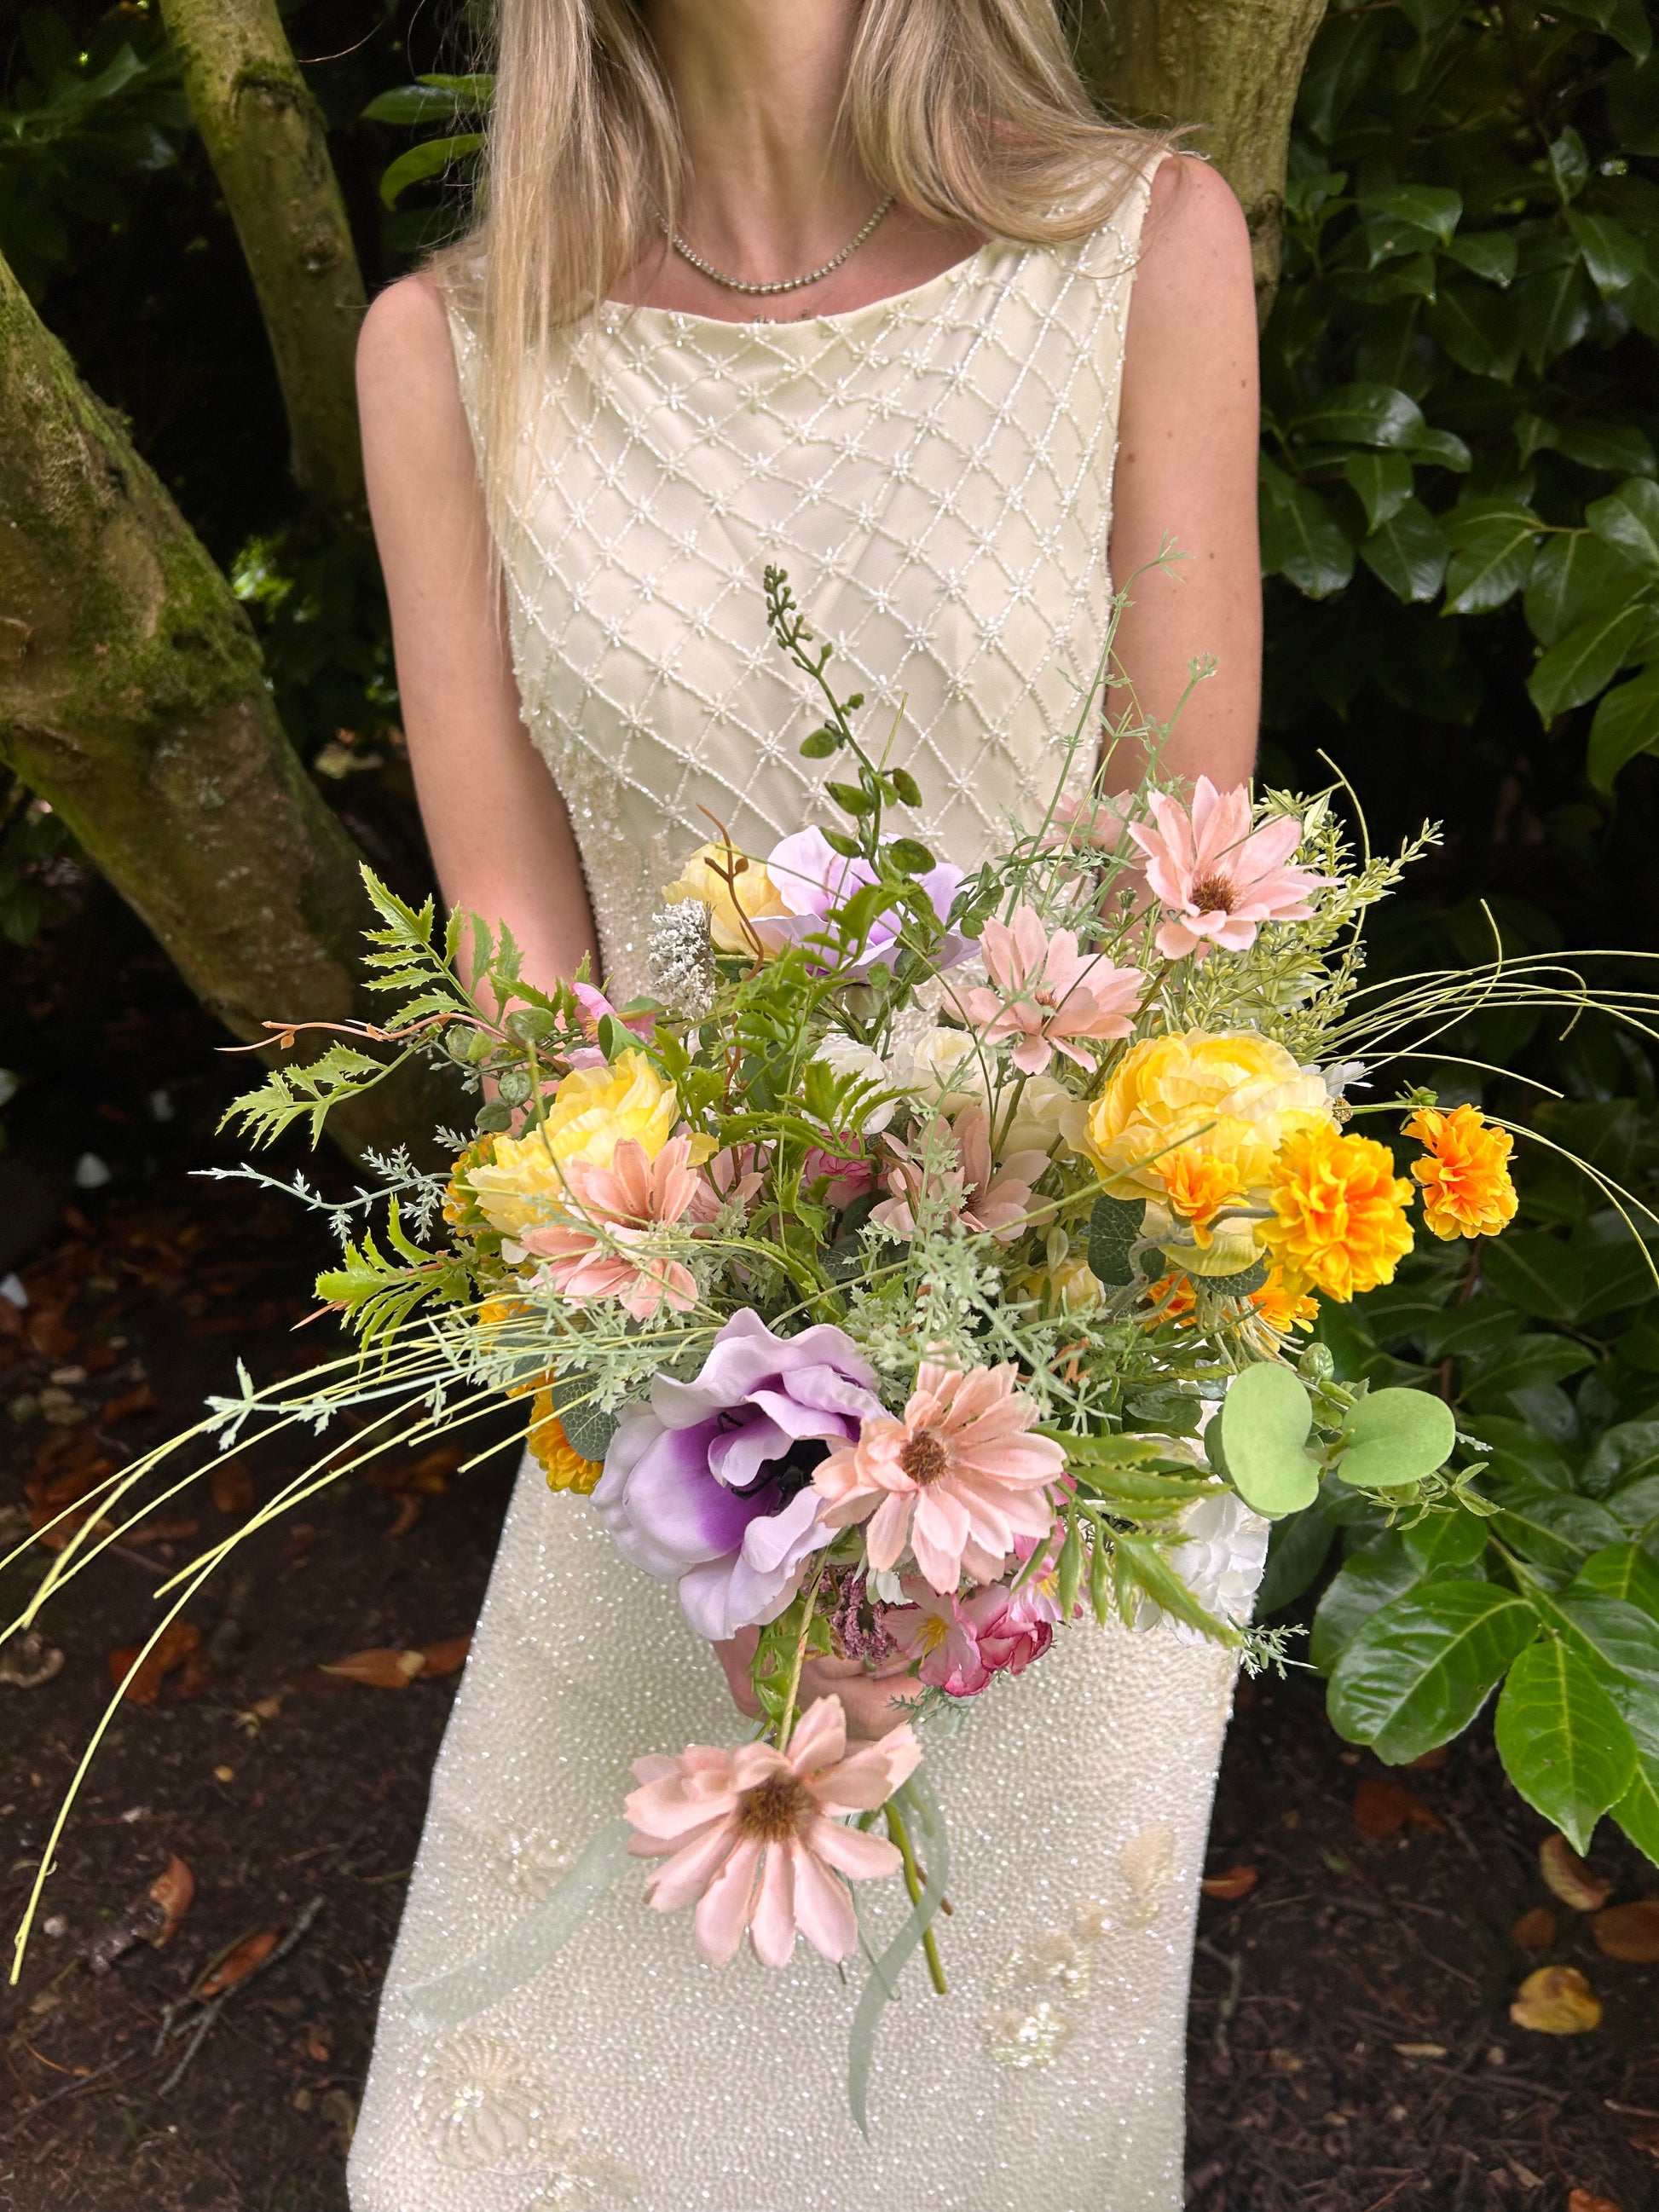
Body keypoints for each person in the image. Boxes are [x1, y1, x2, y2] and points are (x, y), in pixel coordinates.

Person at [348, 3, 1259, 2207]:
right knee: (524, 2127)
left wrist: (1007, 1336)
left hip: (1064, 1398)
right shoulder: (449, 351)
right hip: (686, 1396)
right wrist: (671, 1311)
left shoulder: (1136, 242)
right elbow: (512, 934)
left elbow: (1190, 860)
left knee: (986, 2124)